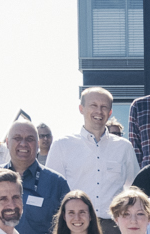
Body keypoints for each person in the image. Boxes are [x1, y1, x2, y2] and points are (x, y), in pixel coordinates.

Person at [54, 88, 139, 226]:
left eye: (104, 107)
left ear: (110, 112)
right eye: (93, 105)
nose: (99, 111)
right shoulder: (62, 145)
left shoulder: (124, 147)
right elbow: (54, 191)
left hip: (113, 227)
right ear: (81, 109)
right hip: (75, 226)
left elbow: (134, 189)